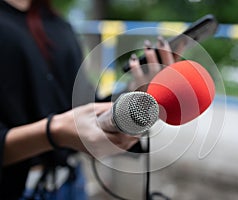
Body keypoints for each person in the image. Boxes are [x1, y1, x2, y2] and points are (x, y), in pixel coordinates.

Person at [0, 0, 177, 199]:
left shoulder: (58, 24)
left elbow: (85, 105)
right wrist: (54, 131)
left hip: (71, 183)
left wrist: (135, 92)